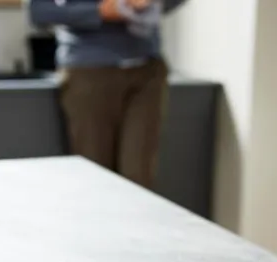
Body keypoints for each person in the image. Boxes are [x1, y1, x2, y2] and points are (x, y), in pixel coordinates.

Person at [29, 0, 187, 190]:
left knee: (139, 180)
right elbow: (39, 12)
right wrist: (99, 12)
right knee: (96, 178)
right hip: (89, 72)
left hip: (147, 70)